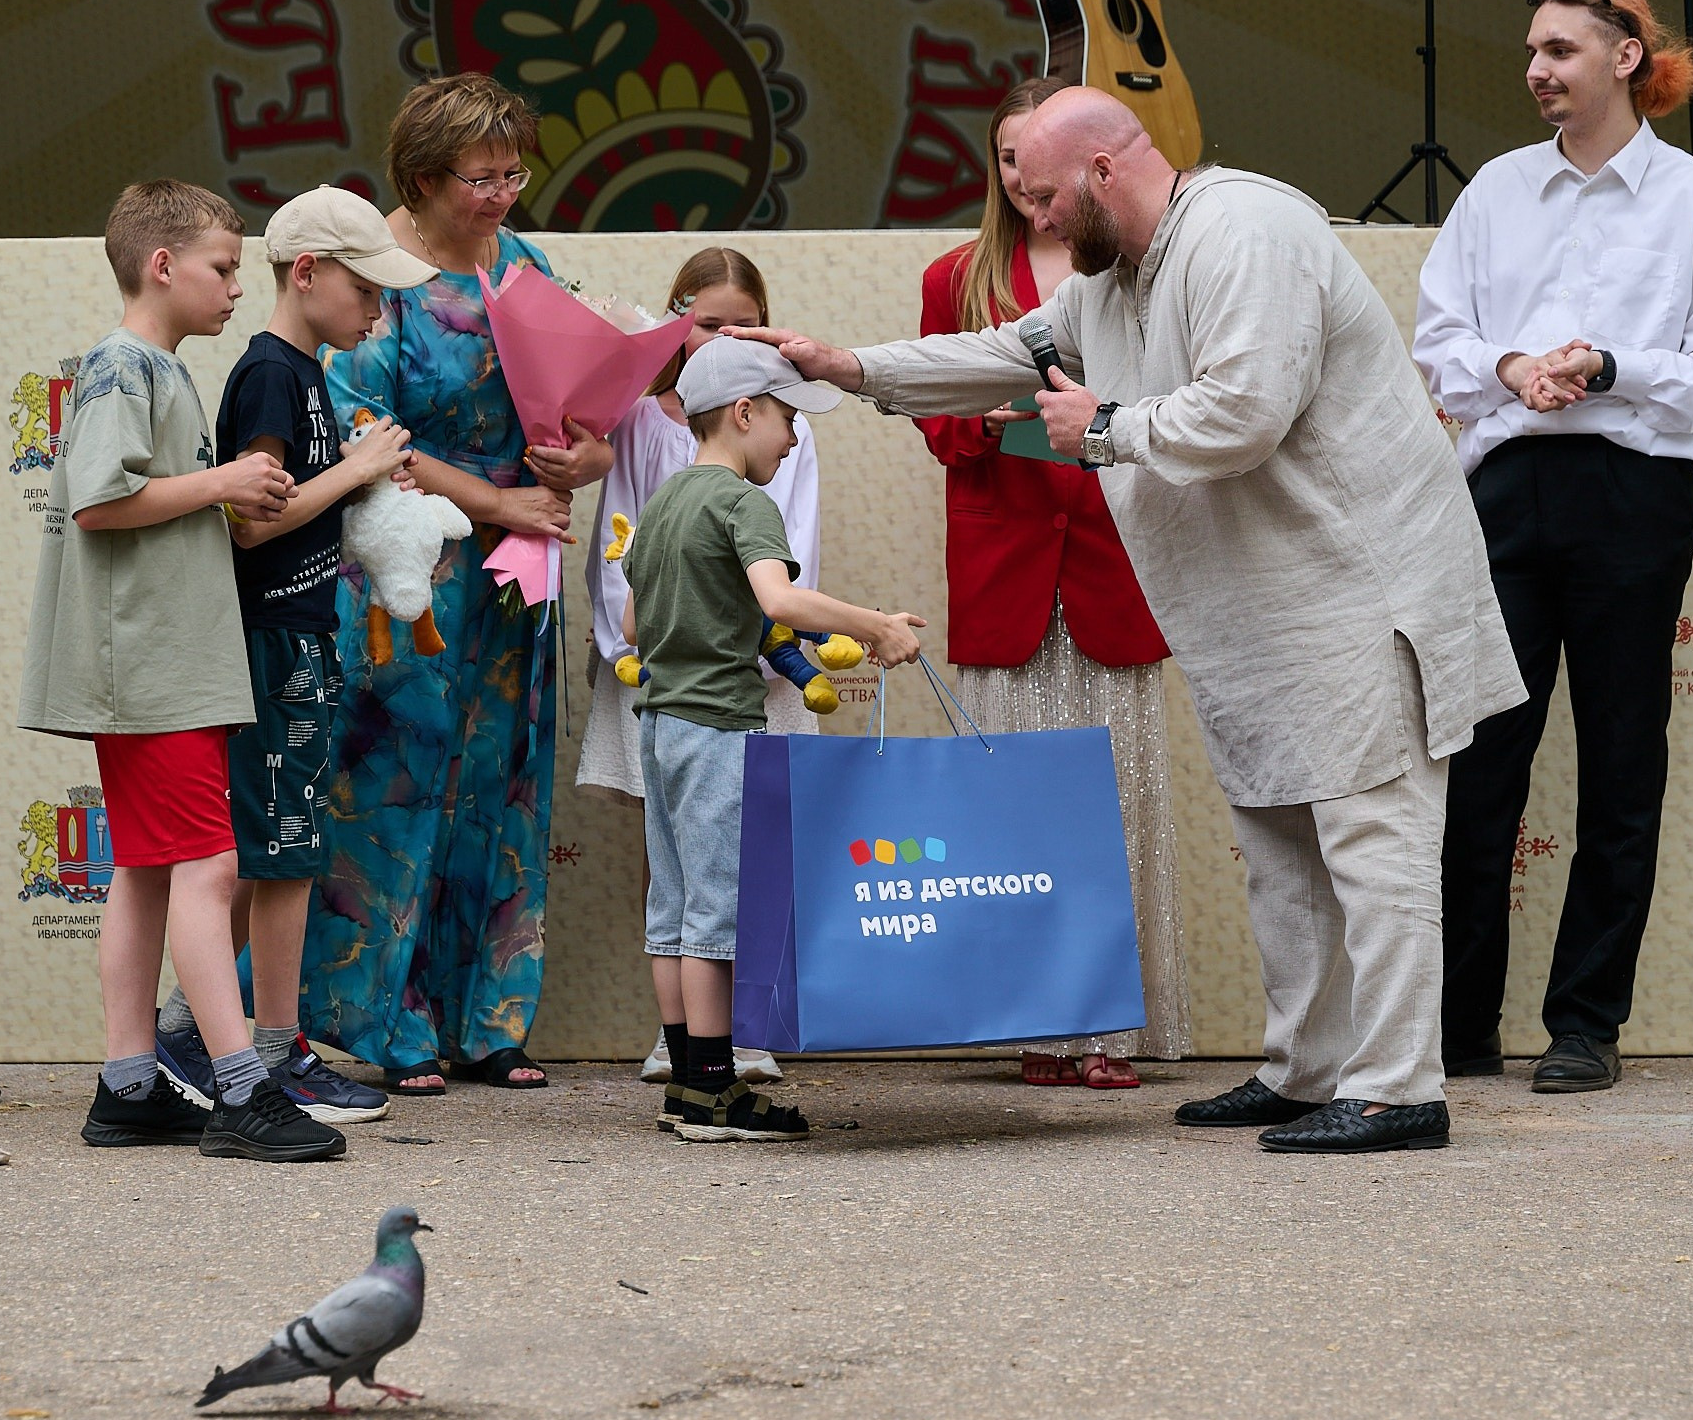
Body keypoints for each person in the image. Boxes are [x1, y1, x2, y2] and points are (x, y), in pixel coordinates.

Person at [741, 86, 1527, 1156]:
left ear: (1106, 171)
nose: (1042, 223)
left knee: (1369, 840)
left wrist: (1100, 424)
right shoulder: (1105, 283)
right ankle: (1304, 1073)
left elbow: (1247, 412)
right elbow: (1003, 353)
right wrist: (851, 368)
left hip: (1356, 589)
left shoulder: (1245, 228)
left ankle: (1398, 1088)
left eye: (1051, 198)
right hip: (1261, 610)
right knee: (1284, 847)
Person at [1416, 0, 1693, 1095]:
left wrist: (1609, 369)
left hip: (1632, 496)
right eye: (1531, 52)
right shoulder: (1494, 193)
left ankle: (1584, 1024)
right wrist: (1512, 365)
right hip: (1505, 492)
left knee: (1621, 761)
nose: (1535, 70)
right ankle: (1459, 1028)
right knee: (1479, 763)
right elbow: (1437, 341)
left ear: (1625, 58)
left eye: (1559, 50)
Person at [17, 179, 345, 1163]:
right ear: (162, 267)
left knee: (150, 869)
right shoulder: (128, 366)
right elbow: (100, 500)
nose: (238, 287)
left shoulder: (151, 367)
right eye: (223, 267)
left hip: (152, 666)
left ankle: (129, 1085)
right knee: (210, 866)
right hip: (153, 667)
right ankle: (243, 1087)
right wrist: (228, 481)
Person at [308, 74, 610, 1096]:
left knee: (503, 780)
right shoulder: (378, 277)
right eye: (480, 178)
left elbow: (576, 411)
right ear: (425, 179)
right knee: (397, 782)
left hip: (514, 565)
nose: (502, 193)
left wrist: (580, 460)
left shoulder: (527, 265)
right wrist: (500, 503)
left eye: (512, 171)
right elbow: (362, 433)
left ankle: (491, 1022)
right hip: (410, 570)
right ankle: (385, 1022)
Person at [913, 75, 1189, 1091]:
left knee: (1115, 811)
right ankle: (1031, 1028)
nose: (1025, 185)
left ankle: (1105, 1033)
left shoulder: (1137, 265)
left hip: (1116, 571)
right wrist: (986, 418)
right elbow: (938, 428)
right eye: (1005, 161)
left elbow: (1173, 413)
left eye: (1038, 161)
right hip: (1006, 574)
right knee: (1010, 823)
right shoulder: (956, 276)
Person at [144, 188, 428, 1126]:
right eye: (368, 290)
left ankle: (230, 1032)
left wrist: (353, 473)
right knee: (278, 852)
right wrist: (349, 474)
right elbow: (248, 521)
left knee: (281, 848)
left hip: (297, 633)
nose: (378, 312)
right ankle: (264, 1045)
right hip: (270, 638)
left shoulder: (304, 373)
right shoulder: (269, 373)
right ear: (306, 274)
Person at [619, 338, 926, 1141]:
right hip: (719, 727)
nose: (792, 439)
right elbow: (777, 596)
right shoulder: (742, 503)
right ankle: (716, 1094)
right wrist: (874, 624)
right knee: (718, 916)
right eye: (786, 418)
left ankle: (684, 1085)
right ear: (745, 413)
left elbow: (629, 622)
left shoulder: (664, 501)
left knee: (674, 908)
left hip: (658, 725)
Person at [580, 245, 813, 1088]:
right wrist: (853, 626)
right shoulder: (663, 439)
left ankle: (706, 1054)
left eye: (744, 324)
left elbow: (638, 581)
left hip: (693, 690)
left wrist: (656, 648)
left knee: (692, 887)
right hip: (709, 691)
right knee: (708, 884)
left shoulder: (720, 469)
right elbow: (776, 591)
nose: (727, 337)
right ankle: (711, 1071)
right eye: (711, 323)